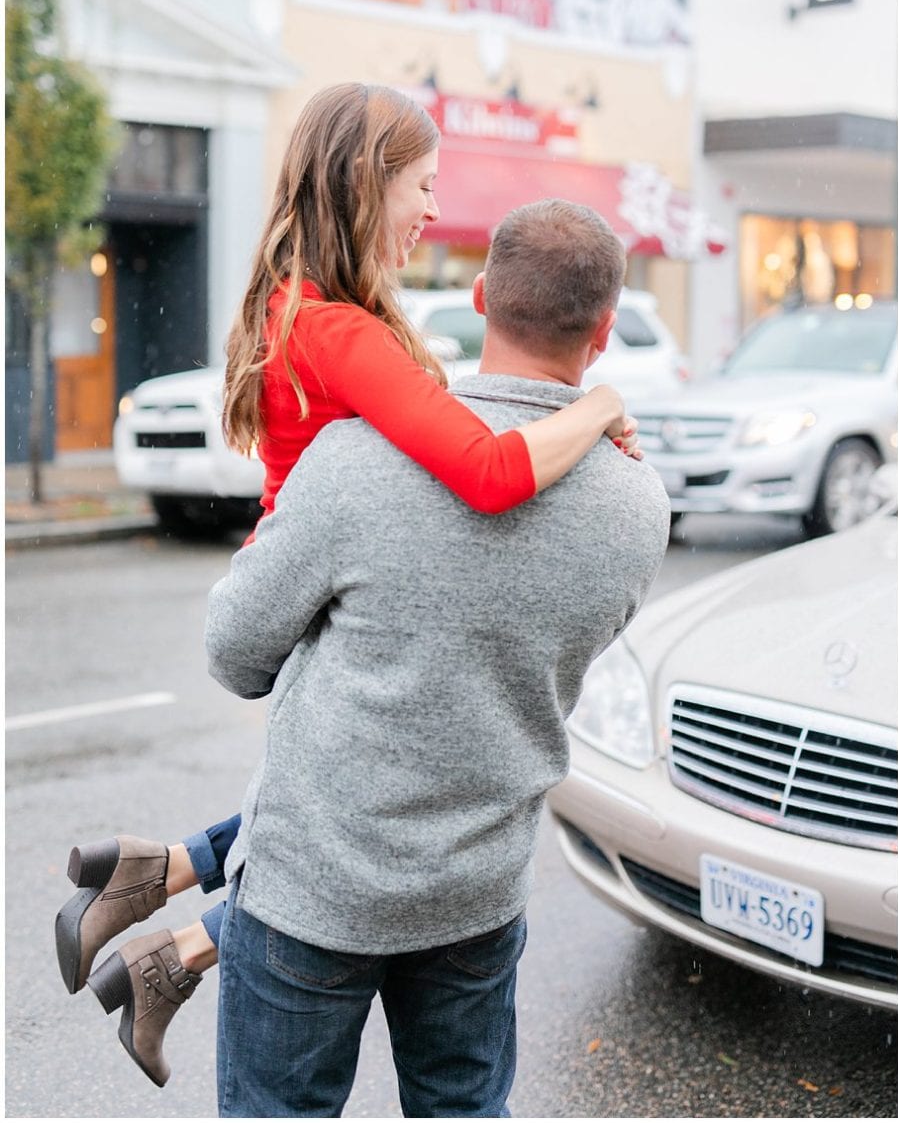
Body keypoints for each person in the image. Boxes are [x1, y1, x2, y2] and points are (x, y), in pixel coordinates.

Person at [53, 84, 637, 1087]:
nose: (430, 210)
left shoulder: (311, 306)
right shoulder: (343, 332)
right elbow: (488, 471)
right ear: (370, 183)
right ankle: (163, 908)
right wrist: (598, 412)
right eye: (423, 185)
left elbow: (429, 424)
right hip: (312, 587)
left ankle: (157, 884)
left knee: (352, 789)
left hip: (324, 586)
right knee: (357, 800)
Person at [196, 197, 661, 1115]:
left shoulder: (355, 458)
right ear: (603, 334)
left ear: (482, 294)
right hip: (476, 894)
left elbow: (235, 654)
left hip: (309, 892)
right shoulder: (639, 505)